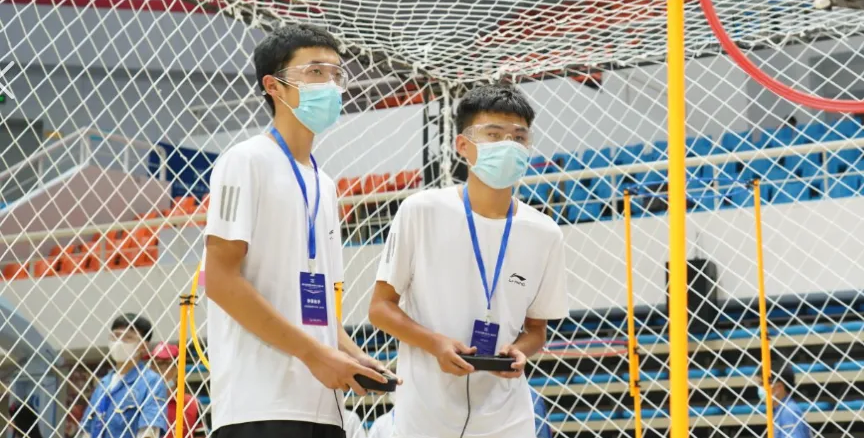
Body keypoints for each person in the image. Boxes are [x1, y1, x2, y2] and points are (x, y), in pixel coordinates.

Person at [204, 24, 391, 438]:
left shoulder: (325, 183)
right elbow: (219, 281)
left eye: (336, 74)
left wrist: (353, 355)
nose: (331, 85)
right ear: (274, 86)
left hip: (324, 407)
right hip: (259, 404)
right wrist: (314, 355)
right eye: (315, 72)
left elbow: (315, 309)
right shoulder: (244, 161)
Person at [369, 84, 569, 438]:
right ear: (463, 145)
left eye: (519, 137)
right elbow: (380, 309)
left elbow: (537, 330)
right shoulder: (420, 211)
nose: (508, 145)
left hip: (506, 418)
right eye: (494, 134)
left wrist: (519, 351)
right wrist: (436, 344)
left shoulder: (545, 232)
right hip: (426, 414)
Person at [77, 314, 169, 438]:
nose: (119, 342)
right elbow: (87, 430)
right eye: (115, 336)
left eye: (128, 337)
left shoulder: (151, 382)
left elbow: (149, 432)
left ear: (144, 346)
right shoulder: (104, 383)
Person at [147, 343, 202, 438]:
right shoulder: (141, 402)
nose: (157, 369)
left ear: (177, 369)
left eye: (162, 364)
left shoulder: (192, 404)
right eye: (153, 363)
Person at [755, 362, 810, 438]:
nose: (760, 388)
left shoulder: (788, 412)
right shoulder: (778, 410)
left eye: (762, 384)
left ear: (779, 386)